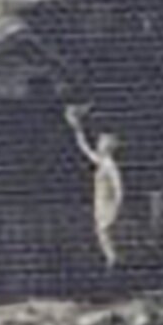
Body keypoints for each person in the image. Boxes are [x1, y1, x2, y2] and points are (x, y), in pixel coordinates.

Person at [64, 103, 124, 269]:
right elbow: (85, 149)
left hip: (107, 204)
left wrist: (116, 207)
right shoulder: (102, 161)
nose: (98, 143)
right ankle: (111, 260)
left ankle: (114, 261)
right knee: (101, 233)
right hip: (102, 202)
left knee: (105, 232)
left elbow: (118, 186)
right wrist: (77, 130)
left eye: (102, 141)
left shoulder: (109, 163)